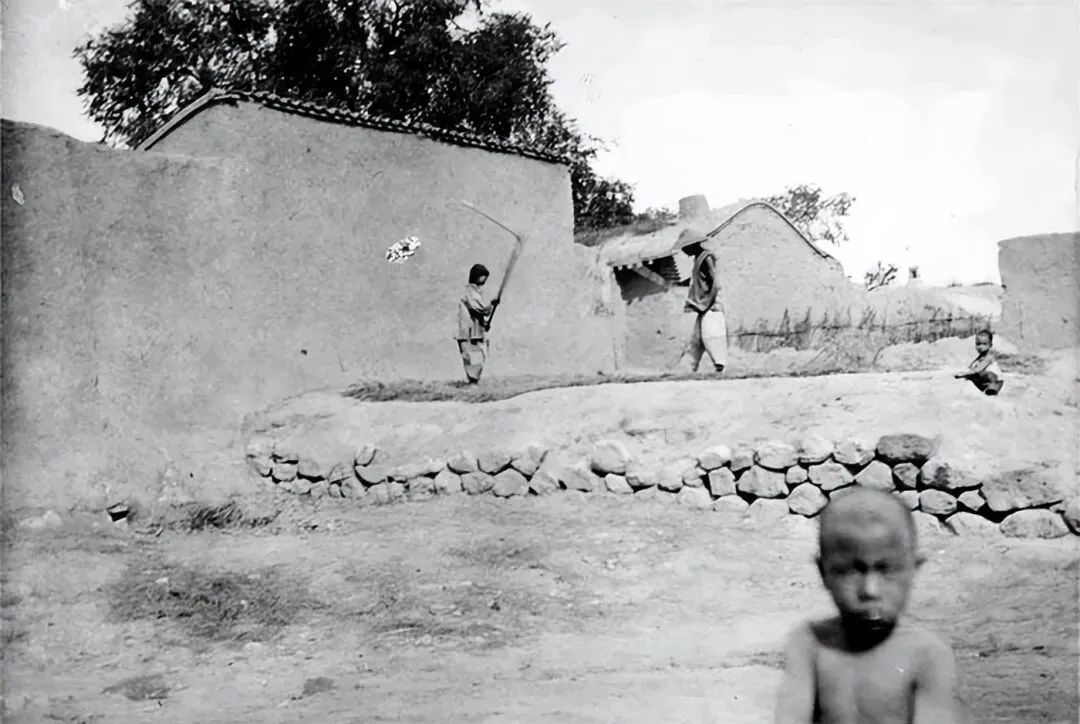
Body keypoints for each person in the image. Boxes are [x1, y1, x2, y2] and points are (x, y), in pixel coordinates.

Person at [773, 488, 970, 724]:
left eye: (887, 570)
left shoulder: (927, 655)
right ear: (823, 572)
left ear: (913, 570)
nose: (870, 590)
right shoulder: (810, 644)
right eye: (849, 571)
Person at [677, 240, 727, 374]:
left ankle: (720, 367)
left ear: (691, 245)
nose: (683, 251)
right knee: (698, 339)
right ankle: (690, 369)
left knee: (712, 335)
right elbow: (700, 280)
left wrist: (709, 301)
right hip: (703, 305)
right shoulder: (698, 259)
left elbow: (715, 282)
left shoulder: (706, 257)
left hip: (710, 304)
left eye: (685, 247)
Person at [455, 263, 498, 384]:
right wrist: (492, 304)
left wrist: (484, 323)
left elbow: (478, 313)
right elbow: (480, 309)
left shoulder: (475, 292)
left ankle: (474, 381)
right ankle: (472, 382)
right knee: (471, 358)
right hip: (467, 332)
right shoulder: (469, 292)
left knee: (478, 356)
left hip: (475, 331)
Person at [954, 329, 1004, 395]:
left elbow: (979, 369)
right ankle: (987, 389)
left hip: (993, 379)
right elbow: (971, 368)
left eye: (984, 344)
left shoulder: (989, 356)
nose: (980, 347)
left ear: (990, 345)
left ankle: (993, 388)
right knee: (972, 377)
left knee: (983, 374)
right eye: (978, 344)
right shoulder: (978, 358)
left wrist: (963, 374)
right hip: (984, 381)